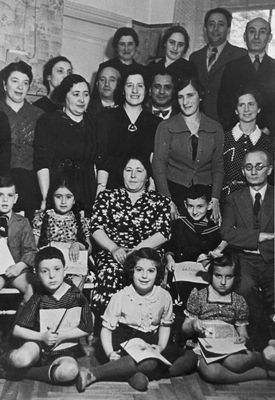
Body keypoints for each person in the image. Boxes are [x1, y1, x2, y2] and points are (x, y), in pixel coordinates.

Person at [76, 248, 174, 393]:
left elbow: (165, 325)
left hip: (150, 343)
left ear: (157, 272)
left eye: (151, 271)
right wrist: (110, 353)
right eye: (139, 270)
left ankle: (128, 372)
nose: (144, 276)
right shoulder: (121, 296)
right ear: (131, 271)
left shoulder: (164, 296)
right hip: (124, 342)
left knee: (187, 358)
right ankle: (93, 374)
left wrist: (160, 347)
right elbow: (106, 329)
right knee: (150, 364)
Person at [169, 252, 275, 382]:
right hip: (204, 347)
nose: (223, 282)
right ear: (210, 275)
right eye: (218, 276)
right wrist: (193, 324)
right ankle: (266, 374)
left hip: (229, 346)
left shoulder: (238, 301)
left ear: (235, 278)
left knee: (234, 363)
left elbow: (243, 332)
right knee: (211, 373)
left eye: (228, 277)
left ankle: (259, 357)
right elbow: (185, 329)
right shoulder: (198, 296)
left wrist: (243, 338)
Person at [90, 156, 171, 319]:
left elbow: (164, 232)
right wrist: (113, 248)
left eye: (139, 171)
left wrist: (136, 250)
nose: (133, 175)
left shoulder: (159, 201)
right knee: (110, 271)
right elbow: (95, 227)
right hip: (112, 253)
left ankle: (145, 326)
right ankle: (109, 326)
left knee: (145, 273)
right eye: (129, 170)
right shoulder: (107, 197)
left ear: (147, 176)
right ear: (122, 174)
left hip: (146, 254)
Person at [0, 246, 93, 385]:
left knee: (70, 372)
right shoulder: (38, 298)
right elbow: (17, 330)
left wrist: (62, 336)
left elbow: (87, 327)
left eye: (57, 269)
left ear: (65, 270)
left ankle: (25, 374)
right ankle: (5, 363)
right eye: (45, 271)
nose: (52, 276)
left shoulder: (76, 296)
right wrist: (42, 337)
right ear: (36, 274)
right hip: (37, 345)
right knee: (21, 359)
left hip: (64, 349)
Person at [221, 149, 274, 350]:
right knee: (245, 288)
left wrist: (257, 244)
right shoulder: (234, 199)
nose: (254, 171)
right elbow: (227, 233)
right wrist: (260, 236)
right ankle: (257, 345)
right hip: (245, 260)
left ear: (269, 169)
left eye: (259, 166)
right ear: (243, 171)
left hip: (272, 260)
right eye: (249, 167)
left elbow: (237, 234)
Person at [152, 77, 224, 221]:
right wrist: (167, 200)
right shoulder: (166, 127)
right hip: (175, 194)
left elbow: (218, 166)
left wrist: (215, 199)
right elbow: (158, 165)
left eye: (190, 95)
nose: (185, 102)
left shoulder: (215, 128)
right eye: (180, 97)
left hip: (205, 196)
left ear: (200, 96)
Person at [34, 74, 106, 215]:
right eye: (76, 94)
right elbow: (42, 162)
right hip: (58, 190)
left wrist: (99, 196)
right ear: (65, 96)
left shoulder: (94, 124)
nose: (81, 99)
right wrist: (44, 197)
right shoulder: (48, 121)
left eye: (86, 94)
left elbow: (102, 162)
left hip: (86, 191)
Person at [96, 70, 161, 190]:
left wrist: (152, 188)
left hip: (143, 190)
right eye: (130, 85)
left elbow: (154, 162)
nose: (135, 91)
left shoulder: (155, 123)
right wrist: (101, 191)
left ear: (147, 90)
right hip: (112, 188)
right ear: (122, 89)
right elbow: (103, 157)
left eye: (140, 86)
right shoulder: (107, 117)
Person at [165, 184, 227, 308]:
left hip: (202, 278)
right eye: (190, 206)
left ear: (209, 205)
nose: (194, 211)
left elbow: (220, 257)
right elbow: (169, 247)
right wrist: (169, 258)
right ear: (184, 204)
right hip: (179, 277)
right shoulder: (179, 224)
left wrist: (212, 258)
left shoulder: (215, 231)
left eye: (200, 206)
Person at [0, 61, 44, 220]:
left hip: (30, 185)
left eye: (25, 83)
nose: (20, 87)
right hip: (2, 183)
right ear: (5, 85)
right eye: (15, 81)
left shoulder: (39, 115)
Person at [32, 173, 91, 289]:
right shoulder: (43, 218)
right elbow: (33, 247)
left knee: (74, 287)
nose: (63, 201)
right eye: (58, 197)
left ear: (74, 200)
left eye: (68, 197)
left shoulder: (80, 220)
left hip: (72, 268)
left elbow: (89, 248)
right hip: (50, 267)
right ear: (52, 197)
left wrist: (78, 245)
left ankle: (71, 306)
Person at [218, 17, 275, 135]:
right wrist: (238, 130)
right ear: (244, 36)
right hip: (237, 135)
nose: (256, 37)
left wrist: (268, 129)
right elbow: (223, 104)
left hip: (269, 136)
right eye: (252, 31)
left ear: (270, 37)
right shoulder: (231, 67)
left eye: (262, 32)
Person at [189, 7, 246, 121]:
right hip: (198, 121)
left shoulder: (240, 55)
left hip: (227, 123)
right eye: (211, 24)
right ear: (205, 29)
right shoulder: (195, 57)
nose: (215, 29)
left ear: (228, 28)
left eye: (221, 24)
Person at [222, 87, 272, 199]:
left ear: (258, 109)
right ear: (236, 110)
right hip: (227, 200)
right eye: (241, 105)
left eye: (251, 104)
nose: (246, 109)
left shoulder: (268, 143)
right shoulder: (223, 139)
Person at [0, 175, 36, 302]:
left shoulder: (23, 222)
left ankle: (21, 322)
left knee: (31, 289)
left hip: (18, 271)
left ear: (15, 198)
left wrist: (19, 267)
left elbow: (31, 251)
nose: (4, 200)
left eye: (9, 195)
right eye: (0, 195)